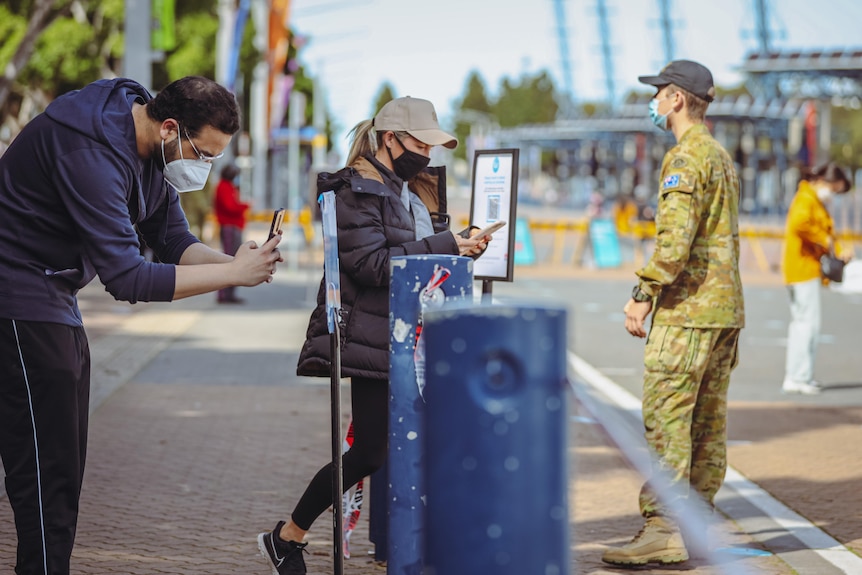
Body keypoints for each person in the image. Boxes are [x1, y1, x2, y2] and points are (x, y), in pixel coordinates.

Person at [0, 75, 283, 575]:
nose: (205, 166)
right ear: (170, 127)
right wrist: (230, 277)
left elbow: (173, 239)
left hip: (52, 298)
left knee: (60, 474)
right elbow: (127, 278)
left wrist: (238, 265)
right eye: (204, 153)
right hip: (17, 298)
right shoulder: (89, 152)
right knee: (46, 480)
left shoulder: (152, 153)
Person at [257, 96, 488, 575]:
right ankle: (287, 536)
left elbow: (416, 253)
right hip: (371, 335)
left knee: (392, 446)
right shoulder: (356, 191)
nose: (427, 154)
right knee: (370, 451)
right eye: (420, 143)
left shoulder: (405, 188)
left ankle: (293, 537)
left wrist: (460, 248)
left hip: (404, 332)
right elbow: (372, 264)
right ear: (391, 138)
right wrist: (444, 244)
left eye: (432, 145)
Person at [602, 60, 745, 567]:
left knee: (667, 420)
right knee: (707, 425)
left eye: (659, 93)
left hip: (688, 312)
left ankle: (664, 528)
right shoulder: (722, 157)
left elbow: (675, 241)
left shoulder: (685, 158)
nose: (655, 101)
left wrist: (642, 292)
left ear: (678, 99)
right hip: (725, 311)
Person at [781, 162, 851, 395]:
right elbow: (800, 224)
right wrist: (826, 241)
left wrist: (834, 246)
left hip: (805, 269)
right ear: (826, 181)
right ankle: (798, 377)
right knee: (806, 325)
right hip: (803, 269)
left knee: (804, 324)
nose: (834, 195)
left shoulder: (812, 199)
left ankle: (800, 375)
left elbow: (824, 232)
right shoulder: (807, 198)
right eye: (835, 189)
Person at [214, 163, 250, 303]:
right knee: (230, 259)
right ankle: (224, 294)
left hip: (233, 226)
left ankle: (229, 293)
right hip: (229, 226)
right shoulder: (224, 186)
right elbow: (230, 206)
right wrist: (245, 206)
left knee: (234, 258)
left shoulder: (229, 187)